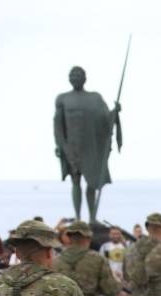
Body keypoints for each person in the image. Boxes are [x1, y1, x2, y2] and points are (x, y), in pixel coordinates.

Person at [53, 67, 121, 222]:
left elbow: (105, 119)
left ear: (85, 78)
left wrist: (114, 112)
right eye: (72, 75)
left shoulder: (95, 98)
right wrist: (60, 145)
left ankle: (92, 218)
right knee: (75, 180)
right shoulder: (63, 99)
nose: (75, 77)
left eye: (78, 75)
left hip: (91, 147)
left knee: (92, 183)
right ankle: (78, 218)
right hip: (72, 147)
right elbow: (58, 125)